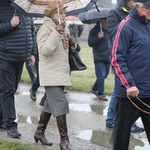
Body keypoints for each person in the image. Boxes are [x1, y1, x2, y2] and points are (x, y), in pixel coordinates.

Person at [34, 1, 76, 149]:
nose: (64, 16)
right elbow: (44, 50)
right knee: (60, 103)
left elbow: (65, 50)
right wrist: (56, 33)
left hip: (61, 72)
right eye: (61, 13)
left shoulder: (66, 28)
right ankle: (64, 141)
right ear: (52, 16)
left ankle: (39, 132)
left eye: (65, 13)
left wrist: (72, 44)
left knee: (50, 104)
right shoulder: (44, 29)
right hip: (50, 73)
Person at [111, 0, 150, 149]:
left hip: (148, 89)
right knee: (122, 133)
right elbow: (116, 58)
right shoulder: (125, 26)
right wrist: (129, 84)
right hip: (130, 92)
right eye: (147, 7)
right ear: (137, 6)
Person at [106, 0, 144, 133]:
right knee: (120, 90)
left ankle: (126, 121)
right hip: (119, 55)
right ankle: (112, 119)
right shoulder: (115, 13)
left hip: (134, 58)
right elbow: (113, 34)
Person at [0, 0, 36, 138]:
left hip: (21, 57)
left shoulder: (25, 7)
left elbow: (31, 29)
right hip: (5, 56)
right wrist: (10, 24)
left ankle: (2, 119)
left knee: (10, 90)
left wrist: (32, 52)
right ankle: (11, 125)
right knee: (7, 91)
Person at [88, 19, 110, 101]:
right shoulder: (94, 31)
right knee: (100, 76)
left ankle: (94, 89)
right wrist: (98, 37)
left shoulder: (109, 30)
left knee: (105, 75)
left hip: (108, 57)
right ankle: (101, 94)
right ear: (101, 21)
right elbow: (90, 43)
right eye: (105, 20)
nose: (107, 21)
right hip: (99, 57)